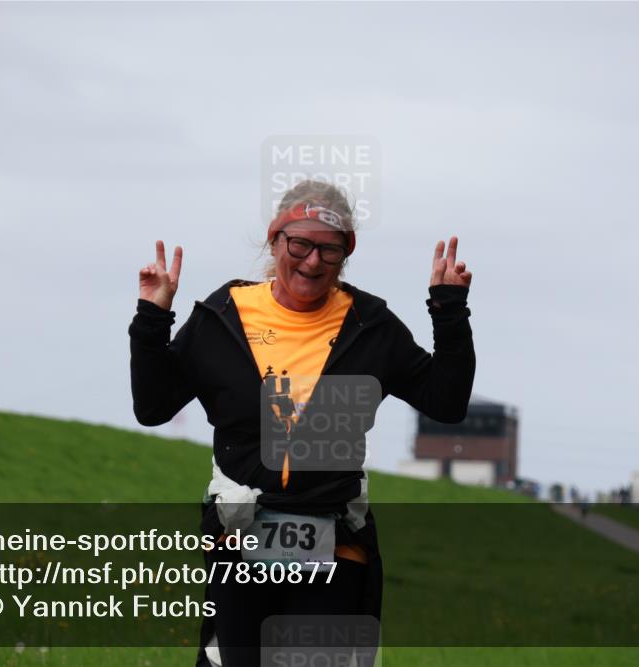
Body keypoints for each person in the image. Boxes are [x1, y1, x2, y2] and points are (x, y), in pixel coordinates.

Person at [128, 180, 476, 667]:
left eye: (330, 251)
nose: (313, 262)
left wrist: (449, 310)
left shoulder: (369, 325)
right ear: (275, 241)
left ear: (345, 255)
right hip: (239, 541)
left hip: (335, 546)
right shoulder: (225, 314)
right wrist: (152, 316)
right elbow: (153, 406)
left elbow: (446, 402)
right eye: (300, 245)